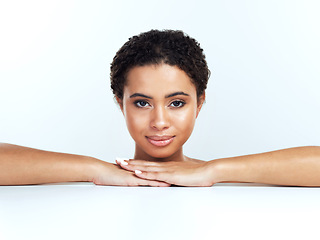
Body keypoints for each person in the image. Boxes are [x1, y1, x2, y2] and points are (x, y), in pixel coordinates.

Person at [1, 29, 320, 187]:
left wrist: (213, 171)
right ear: (119, 103)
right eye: (141, 102)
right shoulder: (106, 177)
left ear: (200, 103)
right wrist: (94, 170)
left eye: (177, 103)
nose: (159, 121)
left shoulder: (212, 176)